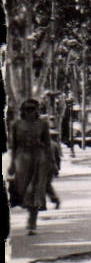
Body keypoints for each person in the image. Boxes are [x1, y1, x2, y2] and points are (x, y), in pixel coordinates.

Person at [8, 98, 55, 235]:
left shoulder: (42, 124)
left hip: (39, 159)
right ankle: (29, 211)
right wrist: (12, 164)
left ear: (37, 110)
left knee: (34, 190)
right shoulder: (16, 125)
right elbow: (13, 146)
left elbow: (47, 145)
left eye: (33, 109)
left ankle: (32, 222)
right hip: (22, 159)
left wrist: (52, 162)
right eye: (27, 109)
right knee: (23, 190)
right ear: (23, 111)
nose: (30, 112)